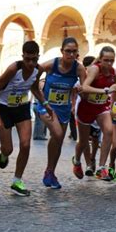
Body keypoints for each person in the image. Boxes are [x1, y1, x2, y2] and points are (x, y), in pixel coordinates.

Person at [0, 40, 52, 196]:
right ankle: (4, 154)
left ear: (38, 57)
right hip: (3, 108)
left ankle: (17, 181)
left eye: (34, 59)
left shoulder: (39, 70)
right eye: (27, 59)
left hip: (22, 107)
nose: (31, 63)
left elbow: (34, 87)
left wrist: (46, 103)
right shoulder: (13, 69)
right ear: (22, 56)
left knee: (25, 144)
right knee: (8, 148)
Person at [38, 37, 86, 189]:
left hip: (63, 110)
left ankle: (50, 172)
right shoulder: (52, 64)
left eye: (74, 52)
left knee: (57, 141)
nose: (71, 55)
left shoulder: (78, 69)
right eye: (68, 51)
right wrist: (39, 86)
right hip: (46, 106)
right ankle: (49, 171)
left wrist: (80, 90)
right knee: (58, 134)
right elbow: (34, 75)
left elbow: (85, 89)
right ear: (62, 51)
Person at [72, 46, 116, 180]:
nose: (109, 64)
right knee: (83, 141)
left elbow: (113, 90)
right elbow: (85, 87)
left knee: (109, 131)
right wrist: (104, 91)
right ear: (101, 59)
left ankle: (101, 168)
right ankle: (76, 161)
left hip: (101, 107)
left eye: (112, 60)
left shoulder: (114, 73)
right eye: (106, 60)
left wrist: (112, 106)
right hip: (86, 106)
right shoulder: (94, 69)